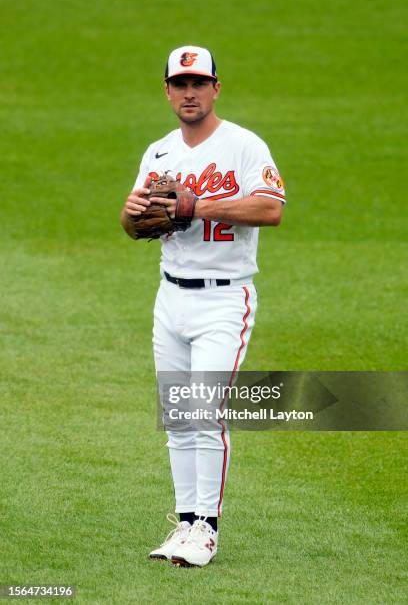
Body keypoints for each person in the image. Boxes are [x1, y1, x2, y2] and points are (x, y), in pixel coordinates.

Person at [121, 45, 286, 567]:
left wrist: (199, 205)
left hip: (223, 299)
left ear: (216, 87)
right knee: (176, 416)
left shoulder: (243, 146)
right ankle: (185, 524)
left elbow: (271, 208)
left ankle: (207, 531)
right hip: (169, 297)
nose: (189, 93)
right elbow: (135, 226)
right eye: (179, 84)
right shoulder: (159, 153)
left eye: (198, 83)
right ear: (167, 90)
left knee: (205, 413)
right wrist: (129, 216)